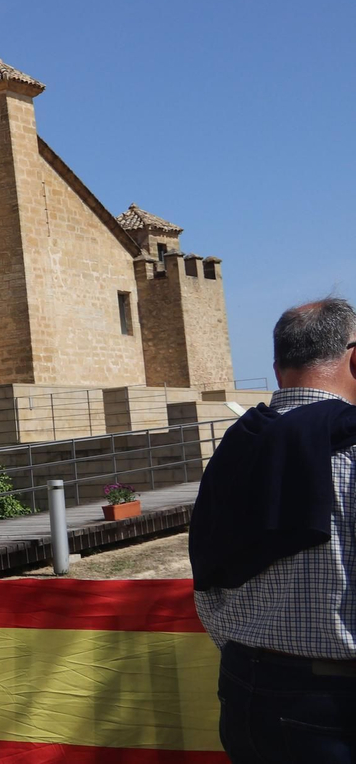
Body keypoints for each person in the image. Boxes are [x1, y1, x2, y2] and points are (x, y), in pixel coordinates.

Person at [190, 297, 356, 761]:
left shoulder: (234, 448)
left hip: (242, 689)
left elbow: (206, 575)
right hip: (335, 704)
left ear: (278, 369)